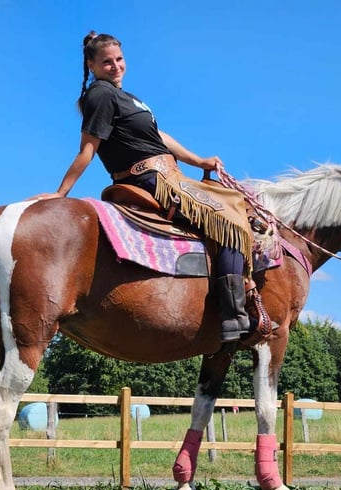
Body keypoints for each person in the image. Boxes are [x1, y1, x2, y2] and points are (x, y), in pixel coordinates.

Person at [49, 31, 253, 343]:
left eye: (119, 59)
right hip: (150, 179)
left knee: (236, 201)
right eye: (107, 62)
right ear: (91, 65)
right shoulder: (100, 95)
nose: (115, 66)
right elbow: (87, 149)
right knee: (228, 219)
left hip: (169, 173)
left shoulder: (128, 98)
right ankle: (232, 315)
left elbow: (161, 138)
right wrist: (60, 193)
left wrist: (200, 161)